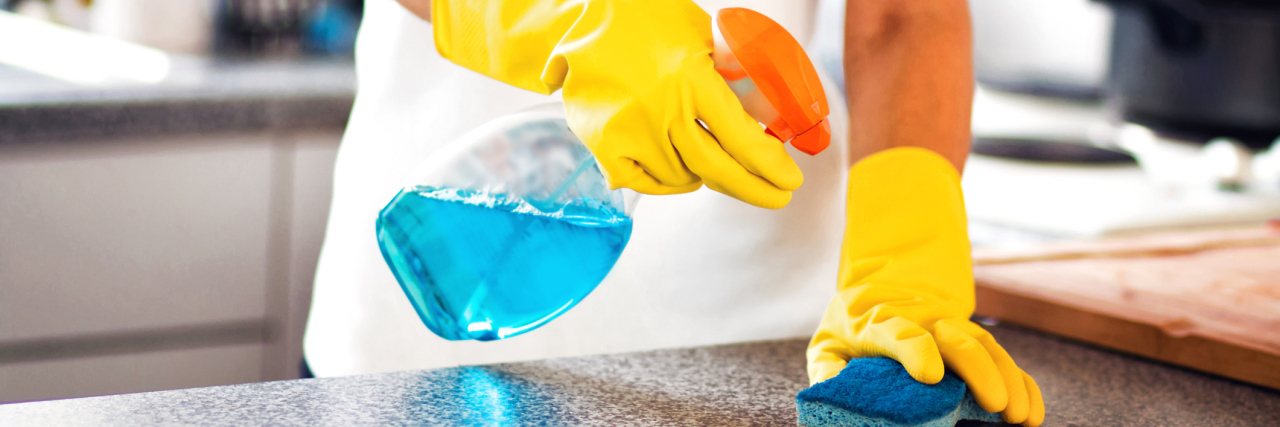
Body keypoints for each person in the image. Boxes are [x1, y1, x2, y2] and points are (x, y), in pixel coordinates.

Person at [304, 0, 1043, 425]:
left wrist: (902, 247)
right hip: (443, 309)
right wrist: (564, 16)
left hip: (757, 349)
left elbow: (905, 17)